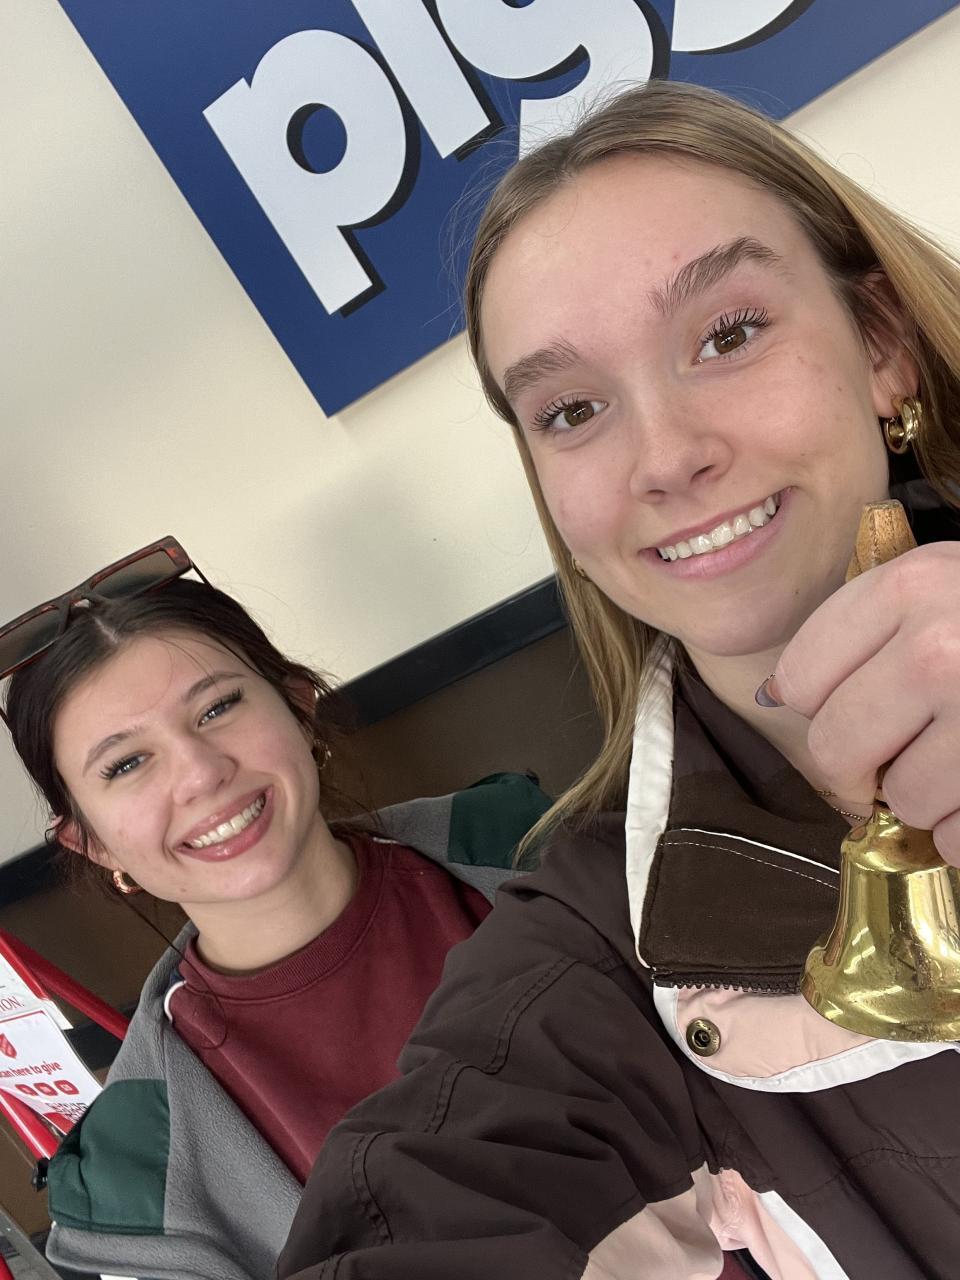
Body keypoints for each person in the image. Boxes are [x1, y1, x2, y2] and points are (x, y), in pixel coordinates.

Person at [277, 81, 960, 1280]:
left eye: (728, 334)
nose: (666, 456)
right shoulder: (594, 951)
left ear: (882, 346)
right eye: (574, 409)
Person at [0, 538, 549, 1280]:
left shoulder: (528, 845)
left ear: (297, 706)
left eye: (218, 707)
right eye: (126, 763)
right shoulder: (134, 1177)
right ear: (92, 842)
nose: (201, 774)